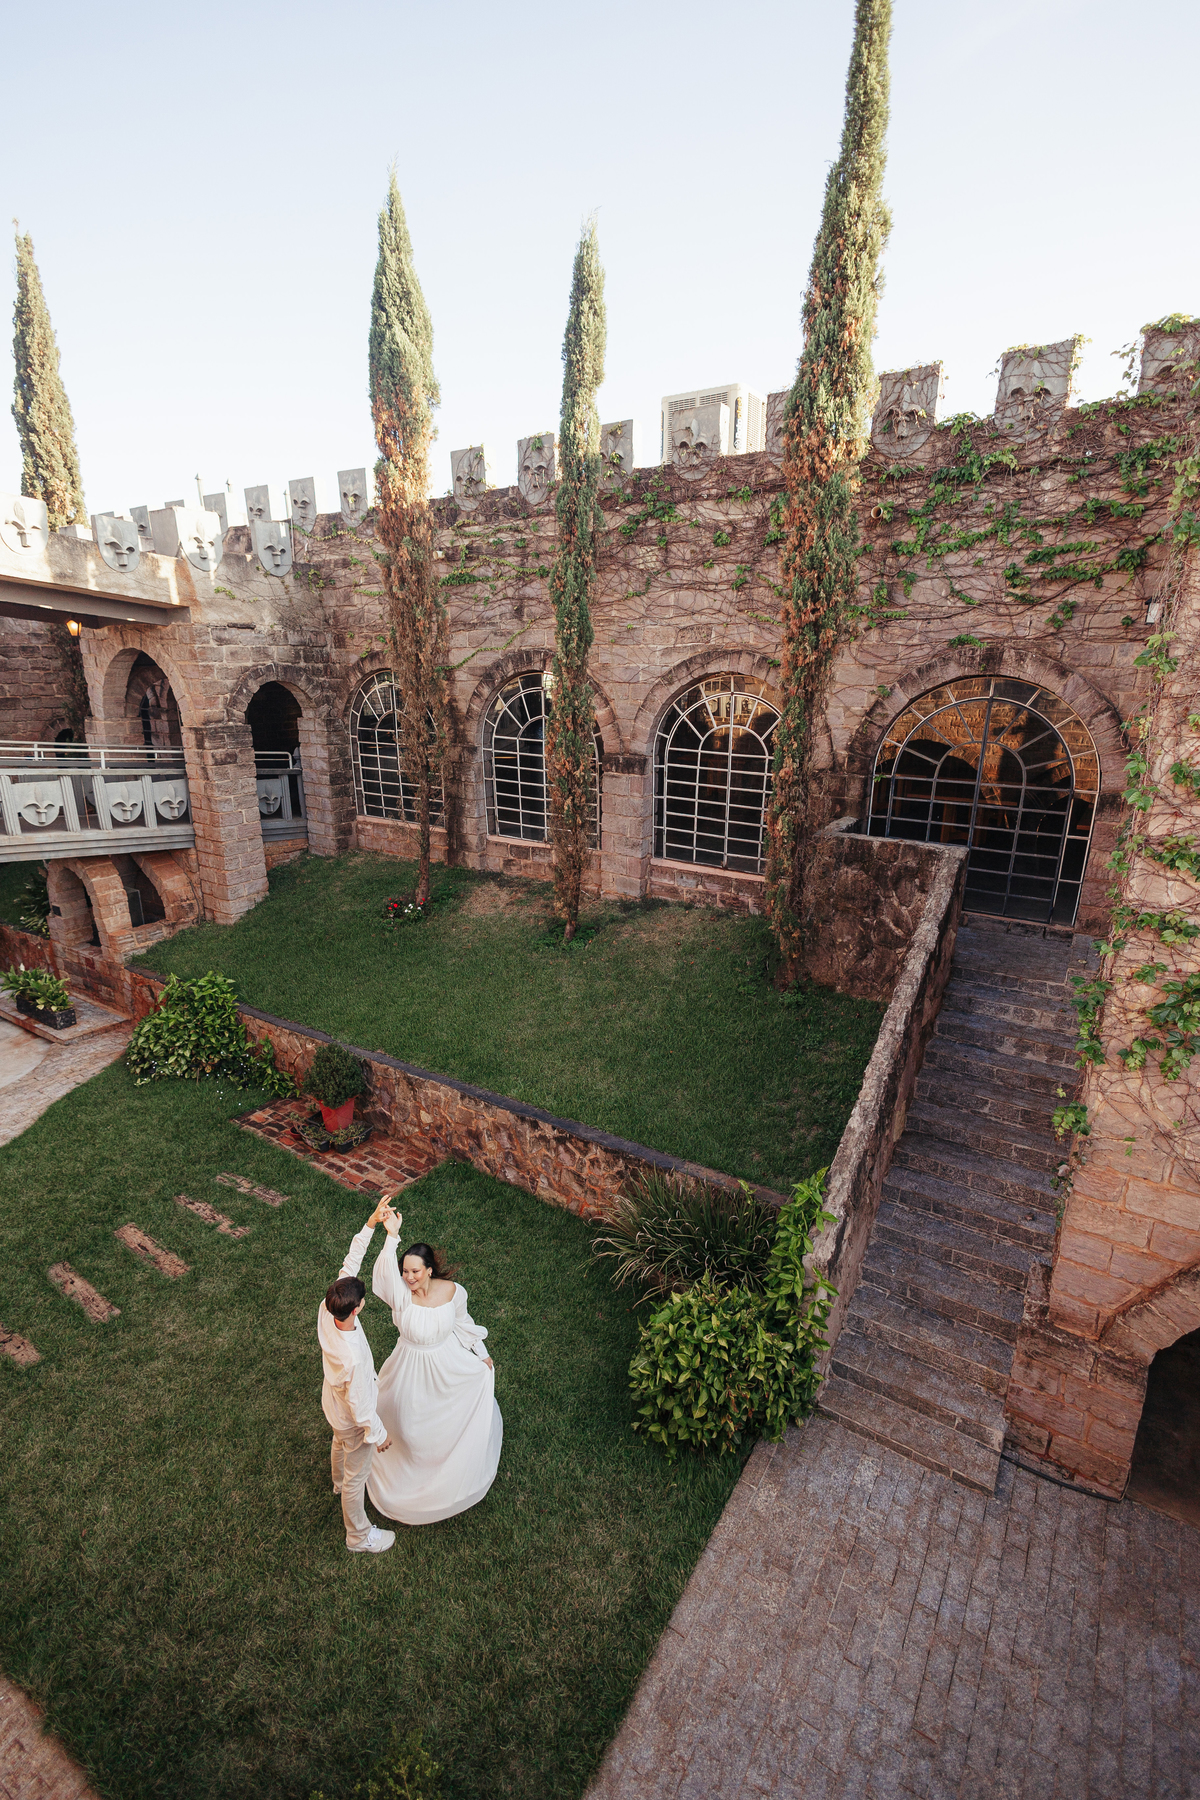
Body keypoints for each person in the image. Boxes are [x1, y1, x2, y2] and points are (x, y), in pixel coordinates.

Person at [365, 1198, 503, 1526]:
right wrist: (391, 1237)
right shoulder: (399, 1295)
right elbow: (381, 1278)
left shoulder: (453, 1291)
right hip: (409, 1368)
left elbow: (464, 1324)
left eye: (414, 1271)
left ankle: (449, 1476)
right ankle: (411, 1478)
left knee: (446, 1423)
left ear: (429, 1270)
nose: (408, 1277)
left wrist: (482, 1355)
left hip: (447, 1364)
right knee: (411, 1426)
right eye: (405, 1272)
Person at [318, 1198, 396, 1554]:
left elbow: (350, 1264)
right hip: (351, 1416)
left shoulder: (328, 1305)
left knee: (338, 1443)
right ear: (356, 1308)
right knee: (357, 1478)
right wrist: (377, 1435)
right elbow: (362, 1406)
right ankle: (359, 1536)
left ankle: (334, 1482)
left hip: (332, 1404)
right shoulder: (354, 1361)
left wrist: (369, 1225)